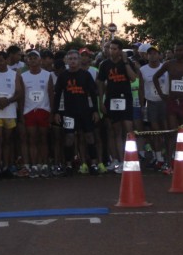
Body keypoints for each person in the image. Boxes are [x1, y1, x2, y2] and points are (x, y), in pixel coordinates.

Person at [52, 49, 101, 175]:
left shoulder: (86, 75)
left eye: (75, 59)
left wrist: (95, 111)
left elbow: (93, 94)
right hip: (69, 112)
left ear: (79, 61)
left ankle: (94, 163)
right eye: (71, 59)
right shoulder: (63, 76)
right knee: (69, 138)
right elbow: (57, 95)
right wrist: (56, 112)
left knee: (89, 136)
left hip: (85, 111)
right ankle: (68, 164)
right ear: (67, 61)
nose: (73, 61)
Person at [97, 39, 136, 174]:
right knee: (115, 130)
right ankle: (117, 160)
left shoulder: (126, 62)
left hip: (125, 98)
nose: (111, 51)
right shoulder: (104, 65)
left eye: (114, 49)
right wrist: (101, 101)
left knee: (128, 129)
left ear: (120, 50)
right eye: (110, 48)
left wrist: (125, 62)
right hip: (111, 100)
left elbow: (133, 78)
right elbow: (100, 83)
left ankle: (130, 158)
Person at [21, 49, 53, 178]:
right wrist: (21, 113)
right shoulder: (23, 76)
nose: (33, 60)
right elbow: (22, 96)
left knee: (43, 139)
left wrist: (51, 112)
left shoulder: (47, 75)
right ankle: (34, 165)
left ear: (40, 60)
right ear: (27, 61)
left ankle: (44, 165)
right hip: (29, 111)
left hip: (43, 110)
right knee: (32, 139)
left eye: (35, 58)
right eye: (30, 58)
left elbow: (51, 94)